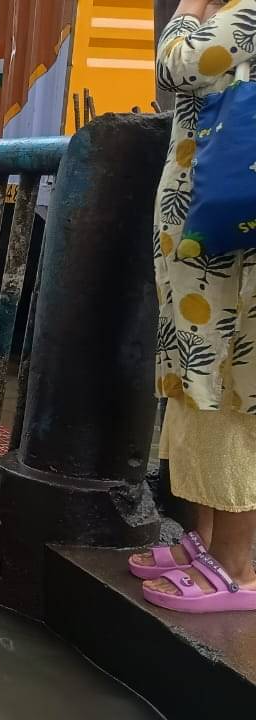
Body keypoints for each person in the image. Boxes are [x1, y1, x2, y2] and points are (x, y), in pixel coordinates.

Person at [130, 0, 256, 613]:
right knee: (196, 380)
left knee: (226, 389)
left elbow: (177, 66)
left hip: (229, 249)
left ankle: (237, 566)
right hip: (211, 241)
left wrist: (186, 9)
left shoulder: (247, 15)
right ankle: (204, 543)